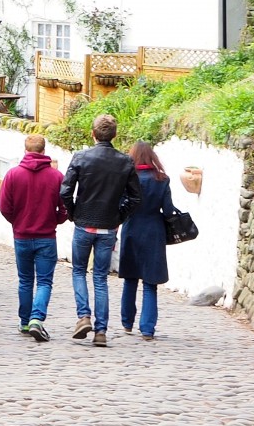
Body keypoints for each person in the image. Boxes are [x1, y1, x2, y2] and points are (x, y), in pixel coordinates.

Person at [59, 113, 142, 347]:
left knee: (78, 271)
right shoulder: (125, 161)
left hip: (84, 223)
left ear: (93, 134)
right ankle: (101, 331)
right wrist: (120, 216)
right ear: (114, 135)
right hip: (108, 226)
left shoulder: (81, 157)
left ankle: (84, 316)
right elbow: (136, 197)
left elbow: (65, 191)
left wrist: (73, 213)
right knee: (100, 278)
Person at [0, 132, 68, 342]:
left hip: (22, 236)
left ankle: (25, 322)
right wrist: (56, 220)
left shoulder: (13, 175)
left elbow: (4, 206)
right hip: (46, 236)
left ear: (25, 151)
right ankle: (37, 318)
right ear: (44, 152)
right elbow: (65, 207)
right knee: (45, 281)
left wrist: (16, 221)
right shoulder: (56, 177)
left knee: (25, 280)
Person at [117, 139, 176, 340]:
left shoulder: (127, 178)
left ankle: (127, 322)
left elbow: (121, 206)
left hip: (132, 228)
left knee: (130, 278)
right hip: (153, 231)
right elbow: (168, 210)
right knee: (150, 282)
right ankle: (148, 328)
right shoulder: (162, 179)